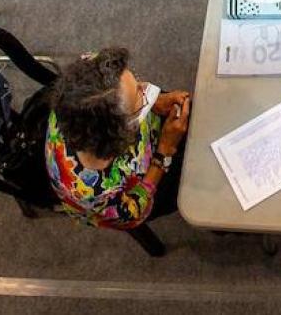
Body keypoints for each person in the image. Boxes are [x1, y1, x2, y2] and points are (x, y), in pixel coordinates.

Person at [45, 47, 191, 230]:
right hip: (145, 181)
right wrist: (165, 151)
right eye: (141, 98)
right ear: (121, 133)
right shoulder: (94, 194)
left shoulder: (83, 91)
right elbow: (134, 211)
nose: (147, 91)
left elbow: (120, 91)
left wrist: (156, 101)